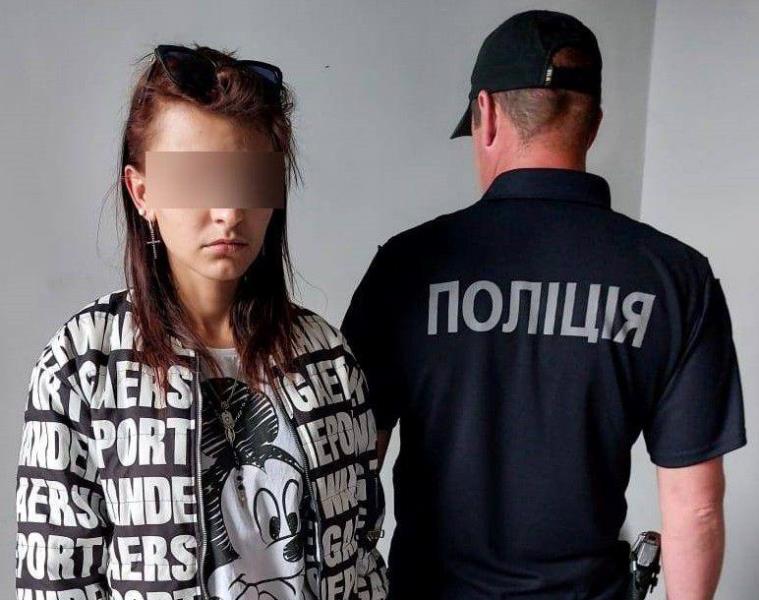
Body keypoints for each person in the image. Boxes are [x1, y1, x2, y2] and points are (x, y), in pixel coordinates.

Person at [341, 10, 746, 600]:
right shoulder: (676, 277)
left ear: (485, 115)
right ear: (594, 124)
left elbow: (349, 474)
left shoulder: (406, 267)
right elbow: (697, 507)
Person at [15, 43, 388, 600]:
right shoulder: (81, 363)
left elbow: (360, 563)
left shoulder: (326, 358)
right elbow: (55, 580)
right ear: (142, 192)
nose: (228, 213)